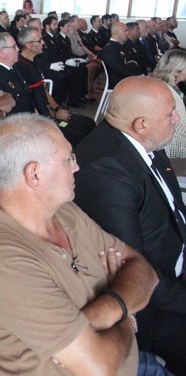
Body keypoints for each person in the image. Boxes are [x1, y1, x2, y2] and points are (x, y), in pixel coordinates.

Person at [0, 113, 158, 375]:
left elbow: (141, 267)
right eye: (69, 159)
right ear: (34, 174)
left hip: (133, 359)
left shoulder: (62, 211)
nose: (76, 167)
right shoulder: (5, 266)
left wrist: (106, 310)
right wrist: (126, 315)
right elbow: (101, 368)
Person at [74, 76, 186, 375]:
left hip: (173, 263)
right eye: (170, 113)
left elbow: (174, 211)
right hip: (152, 303)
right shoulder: (106, 171)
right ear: (141, 124)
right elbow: (134, 265)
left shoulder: (146, 141)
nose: (177, 118)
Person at [151, 49, 186, 159]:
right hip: (176, 145)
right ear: (176, 71)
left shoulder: (165, 84)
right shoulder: (169, 92)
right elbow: (183, 128)